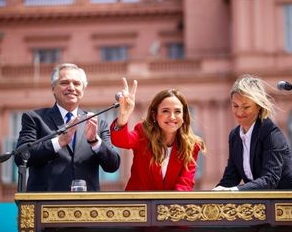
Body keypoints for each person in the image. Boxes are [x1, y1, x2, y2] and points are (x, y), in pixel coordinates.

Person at [15, 63, 120, 192]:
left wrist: (95, 141)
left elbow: (113, 165)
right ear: (53, 88)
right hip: (46, 202)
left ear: (83, 89)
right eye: (64, 83)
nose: (71, 88)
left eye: (76, 83)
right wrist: (59, 141)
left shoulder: (96, 123)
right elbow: (21, 156)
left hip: (87, 203)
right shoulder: (35, 118)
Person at [213, 75, 292, 191]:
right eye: (235, 106)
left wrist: (235, 190)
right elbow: (231, 178)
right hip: (270, 201)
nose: (239, 112)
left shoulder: (271, 133)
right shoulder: (234, 136)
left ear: (259, 107)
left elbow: (270, 179)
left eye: (246, 107)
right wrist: (212, 196)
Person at [110, 78, 206, 191]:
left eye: (177, 111)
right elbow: (121, 141)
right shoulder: (143, 133)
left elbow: (185, 184)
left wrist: (167, 206)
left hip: (170, 206)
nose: (172, 117)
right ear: (154, 115)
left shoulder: (192, 145)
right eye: (165, 111)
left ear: (184, 116)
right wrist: (123, 117)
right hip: (138, 204)